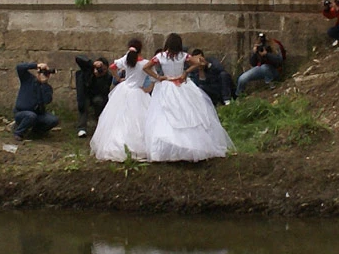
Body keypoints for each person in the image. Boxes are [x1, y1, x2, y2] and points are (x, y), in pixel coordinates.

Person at [142, 33, 233, 162]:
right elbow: (198, 62)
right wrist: (186, 72)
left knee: (165, 115)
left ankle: (167, 148)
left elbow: (146, 67)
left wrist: (158, 77)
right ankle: (194, 146)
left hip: (167, 84)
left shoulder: (160, 56)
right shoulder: (183, 56)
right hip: (182, 84)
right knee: (189, 114)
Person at [90, 41, 154, 161]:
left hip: (125, 89)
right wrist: (148, 89)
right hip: (138, 91)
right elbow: (152, 77)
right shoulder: (145, 63)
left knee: (119, 117)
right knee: (138, 118)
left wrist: (119, 78)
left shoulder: (126, 59)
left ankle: (117, 142)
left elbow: (112, 67)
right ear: (141, 49)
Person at [13, 61, 58, 141]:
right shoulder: (28, 79)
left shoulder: (47, 88)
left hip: (38, 114)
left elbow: (47, 100)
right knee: (30, 116)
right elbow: (19, 67)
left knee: (53, 120)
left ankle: (35, 133)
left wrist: (44, 84)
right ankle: (18, 132)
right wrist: (36, 65)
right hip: (21, 112)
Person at [75, 55, 114, 139]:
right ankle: (82, 128)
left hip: (97, 95)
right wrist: (92, 64)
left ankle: (100, 125)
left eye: (104, 69)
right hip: (85, 94)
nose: (101, 71)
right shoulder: (88, 69)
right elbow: (78, 58)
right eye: (100, 69)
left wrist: (99, 78)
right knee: (84, 104)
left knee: (98, 101)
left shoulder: (108, 76)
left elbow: (104, 92)